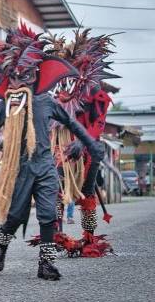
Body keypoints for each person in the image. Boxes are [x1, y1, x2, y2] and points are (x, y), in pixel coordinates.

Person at [0, 24, 104, 280]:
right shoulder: (8, 103)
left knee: (48, 214)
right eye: (17, 75)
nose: (22, 79)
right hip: (20, 168)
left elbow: (72, 124)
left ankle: (46, 263)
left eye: (27, 74)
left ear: (38, 74)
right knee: (16, 214)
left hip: (45, 165)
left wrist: (88, 142)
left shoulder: (47, 101)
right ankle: (1, 242)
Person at [41, 30, 117, 257]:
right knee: (55, 192)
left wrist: (83, 144)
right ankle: (56, 236)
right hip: (60, 148)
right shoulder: (54, 90)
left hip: (87, 151)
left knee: (86, 194)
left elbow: (98, 124)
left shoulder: (95, 92)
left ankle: (89, 237)